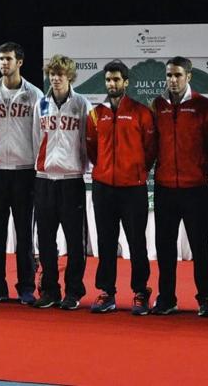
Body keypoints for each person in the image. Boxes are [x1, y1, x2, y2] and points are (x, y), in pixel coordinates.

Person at [86, 59, 156, 315]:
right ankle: (107, 292)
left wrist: (135, 171)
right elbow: (92, 150)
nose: (112, 84)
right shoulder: (96, 114)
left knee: (137, 242)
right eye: (108, 80)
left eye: (116, 79)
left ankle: (140, 291)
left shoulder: (141, 112)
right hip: (103, 188)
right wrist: (105, 170)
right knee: (105, 242)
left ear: (126, 82)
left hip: (133, 189)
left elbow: (150, 151)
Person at [150, 56, 208, 316]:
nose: (173, 80)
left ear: (189, 76)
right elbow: (152, 144)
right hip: (165, 187)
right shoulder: (158, 105)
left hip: (195, 189)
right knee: (165, 247)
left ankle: (205, 299)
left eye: (178, 75)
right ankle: (167, 298)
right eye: (169, 75)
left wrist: (201, 170)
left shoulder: (203, 105)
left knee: (200, 247)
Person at [0, 42, 44, 305]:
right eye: (0, 59)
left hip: (25, 171)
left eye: (8, 59)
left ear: (20, 62)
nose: (3, 63)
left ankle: (26, 287)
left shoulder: (35, 95)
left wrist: (39, 169)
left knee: (24, 233)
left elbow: (41, 134)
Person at [31, 55, 92, 310]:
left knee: (74, 241)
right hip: (44, 180)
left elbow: (86, 141)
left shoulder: (81, 104)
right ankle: (50, 290)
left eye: (60, 75)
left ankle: (73, 291)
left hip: (71, 181)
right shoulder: (40, 104)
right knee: (45, 239)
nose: (55, 79)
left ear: (70, 77)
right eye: (52, 74)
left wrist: (79, 168)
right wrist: (42, 167)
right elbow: (37, 138)